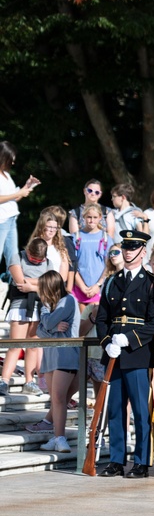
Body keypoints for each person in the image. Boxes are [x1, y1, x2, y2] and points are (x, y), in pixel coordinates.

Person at [95, 229, 154, 479]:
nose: (128, 251)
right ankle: (116, 460)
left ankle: (142, 461)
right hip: (113, 354)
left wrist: (129, 339)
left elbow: (153, 324)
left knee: (141, 411)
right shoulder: (112, 281)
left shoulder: (152, 283)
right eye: (126, 247)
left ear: (143, 252)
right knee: (115, 409)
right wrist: (107, 341)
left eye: (134, 248)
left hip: (137, 353)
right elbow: (102, 318)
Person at [35, 271, 80, 454]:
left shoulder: (68, 300)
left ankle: (60, 438)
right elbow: (39, 331)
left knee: (60, 398)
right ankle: (56, 437)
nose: (39, 292)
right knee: (56, 399)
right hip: (50, 357)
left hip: (66, 357)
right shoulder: (46, 305)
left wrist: (50, 325)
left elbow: (48, 322)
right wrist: (53, 328)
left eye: (42, 288)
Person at [0, 238, 53, 396]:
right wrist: (40, 284)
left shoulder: (48, 263)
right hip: (21, 306)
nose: (36, 262)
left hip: (40, 307)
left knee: (34, 346)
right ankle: (4, 380)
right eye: (33, 259)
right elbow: (20, 283)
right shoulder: (17, 257)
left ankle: (30, 381)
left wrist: (32, 285)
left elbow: (51, 284)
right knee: (15, 345)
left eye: (39, 260)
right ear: (28, 251)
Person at [0, 141, 39, 272]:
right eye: (11, 160)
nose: (12, 163)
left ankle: (13, 287)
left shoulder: (7, 176)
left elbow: (14, 198)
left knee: (13, 257)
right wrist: (19, 193)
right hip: (1, 221)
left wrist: (28, 186)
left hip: (11, 220)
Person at [70, 203, 112, 311]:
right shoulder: (77, 237)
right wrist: (82, 286)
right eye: (89, 217)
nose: (91, 220)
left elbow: (109, 265)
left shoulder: (106, 238)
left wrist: (98, 285)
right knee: (82, 324)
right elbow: (72, 265)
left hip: (99, 288)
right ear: (83, 217)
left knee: (94, 322)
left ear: (100, 218)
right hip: (79, 287)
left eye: (95, 217)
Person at [28, 211, 70, 284]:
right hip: (36, 285)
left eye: (55, 227)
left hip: (55, 286)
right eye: (49, 227)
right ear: (42, 226)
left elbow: (63, 275)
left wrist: (54, 285)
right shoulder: (34, 244)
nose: (52, 230)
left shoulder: (60, 247)